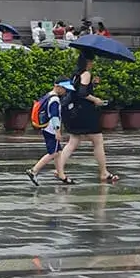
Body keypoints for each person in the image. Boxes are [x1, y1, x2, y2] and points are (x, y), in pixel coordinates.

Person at [54, 53, 118, 185]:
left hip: (73, 112)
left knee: (73, 142)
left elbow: (77, 90)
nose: (92, 64)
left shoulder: (75, 75)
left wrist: (92, 84)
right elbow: (82, 93)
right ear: (87, 62)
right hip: (85, 113)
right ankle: (104, 172)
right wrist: (96, 100)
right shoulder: (86, 74)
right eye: (91, 61)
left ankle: (58, 169)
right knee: (98, 141)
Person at [26, 80, 72, 185]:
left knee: (58, 152)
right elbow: (54, 116)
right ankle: (34, 171)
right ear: (58, 87)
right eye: (64, 88)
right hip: (51, 129)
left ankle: (61, 175)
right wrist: (57, 132)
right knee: (53, 152)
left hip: (46, 127)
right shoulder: (55, 99)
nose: (65, 91)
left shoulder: (48, 95)